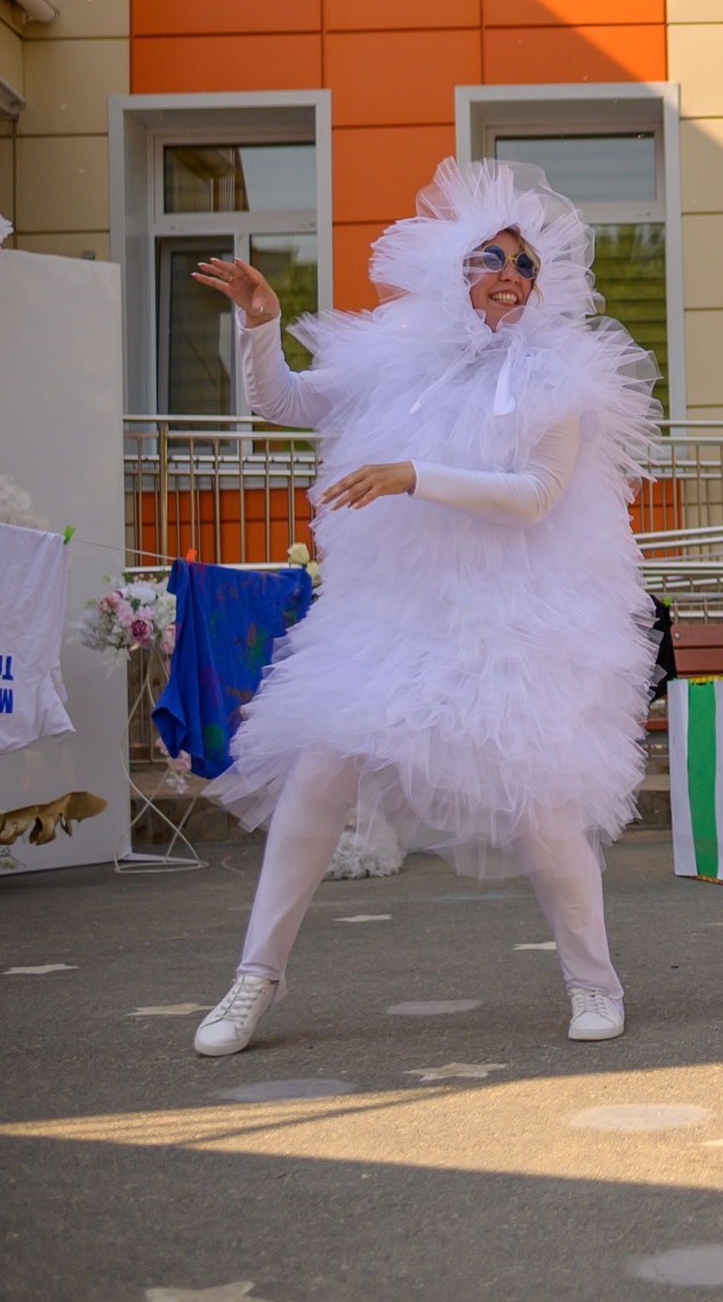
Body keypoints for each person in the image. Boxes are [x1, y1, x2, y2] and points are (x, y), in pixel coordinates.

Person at [187, 160, 662, 1053]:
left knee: (542, 801)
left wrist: (412, 474)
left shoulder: (559, 378)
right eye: (493, 257)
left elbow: (534, 495)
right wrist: (261, 325)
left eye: (527, 265)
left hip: (514, 617)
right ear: (455, 268)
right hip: (392, 615)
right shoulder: (387, 358)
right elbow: (283, 401)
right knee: (320, 770)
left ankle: (594, 983)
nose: (512, 276)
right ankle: (254, 979)